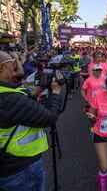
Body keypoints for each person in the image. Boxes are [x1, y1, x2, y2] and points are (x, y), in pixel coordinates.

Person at [0, 50, 63, 190]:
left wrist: (37, 90)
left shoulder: (7, 94)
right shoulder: (8, 99)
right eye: (12, 63)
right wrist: (56, 92)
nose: (15, 66)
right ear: (2, 68)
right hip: (20, 169)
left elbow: (20, 96)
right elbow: (49, 117)